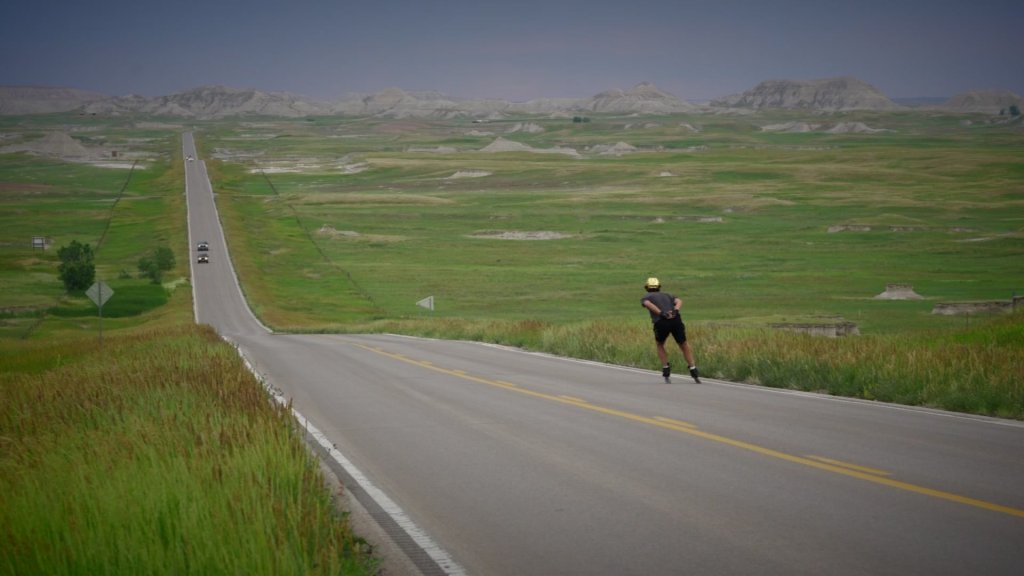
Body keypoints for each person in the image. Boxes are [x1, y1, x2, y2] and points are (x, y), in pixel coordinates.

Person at [641, 277, 700, 383]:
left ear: (647, 288)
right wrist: (676, 310)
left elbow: (647, 304)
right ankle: (693, 368)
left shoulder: (647, 296)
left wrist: (661, 313)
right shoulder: (668, 295)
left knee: (660, 344)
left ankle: (666, 367)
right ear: (659, 287)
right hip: (676, 320)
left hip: (661, 321)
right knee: (683, 344)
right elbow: (679, 301)